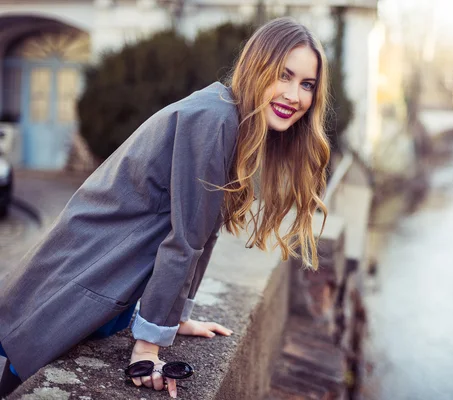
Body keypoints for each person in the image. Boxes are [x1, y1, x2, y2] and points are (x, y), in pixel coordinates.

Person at [0, 17, 330, 399]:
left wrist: (178, 317)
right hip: (90, 267)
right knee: (21, 379)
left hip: (114, 271)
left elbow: (204, 230)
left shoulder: (226, 114)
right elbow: (185, 240)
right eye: (283, 75)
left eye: (307, 84)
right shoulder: (214, 119)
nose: (295, 95)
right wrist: (148, 347)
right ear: (257, 67)